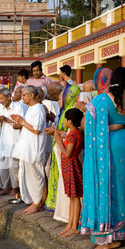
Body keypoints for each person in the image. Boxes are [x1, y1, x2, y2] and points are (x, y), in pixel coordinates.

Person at [80, 67, 125, 249]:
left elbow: (85, 125)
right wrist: (120, 124)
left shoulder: (102, 99)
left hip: (110, 146)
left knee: (109, 188)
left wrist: (111, 125)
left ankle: (109, 236)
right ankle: (124, 229)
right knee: (124, 189)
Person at [11, 85, 47, 214]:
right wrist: (20, 122)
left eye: (24, 95)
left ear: (32, 96)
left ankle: (37, 203)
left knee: (36, 176)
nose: (22, 97)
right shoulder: (31, 108)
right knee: (29, 176)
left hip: (34, 149)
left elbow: (36, 130)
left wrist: (22, 121)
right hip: (27, 148)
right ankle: (34, 201)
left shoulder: (38, 108)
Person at [45, 83, 79, 218]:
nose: (59, 101)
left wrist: (56, 134)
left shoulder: (72, 112)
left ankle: (68, 217)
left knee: (69, 189)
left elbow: (70, 135)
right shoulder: (65, 110)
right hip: (61, 150)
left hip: (67, 153)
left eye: (61, 98)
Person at [54, 108, 84, 237]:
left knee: (75, 196)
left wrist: (59, 140)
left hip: (71, 165)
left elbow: (67, 153)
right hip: (69, 166)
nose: (64, 121)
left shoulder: (73, 134)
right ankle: (70, 224)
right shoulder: (74, 133)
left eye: (66, 119)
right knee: (72, 196)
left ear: (70, 121)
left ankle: (74, 226)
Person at [0, 87, 24, 197]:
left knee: (14, 167)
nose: (0, 101)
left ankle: (15, 188)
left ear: (8, 97)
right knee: (4, 166)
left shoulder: (18, 108)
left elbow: (20, 124)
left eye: (2, 98)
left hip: (15, 139)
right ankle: (5, 187)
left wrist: (6, 119)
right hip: (4, 139)